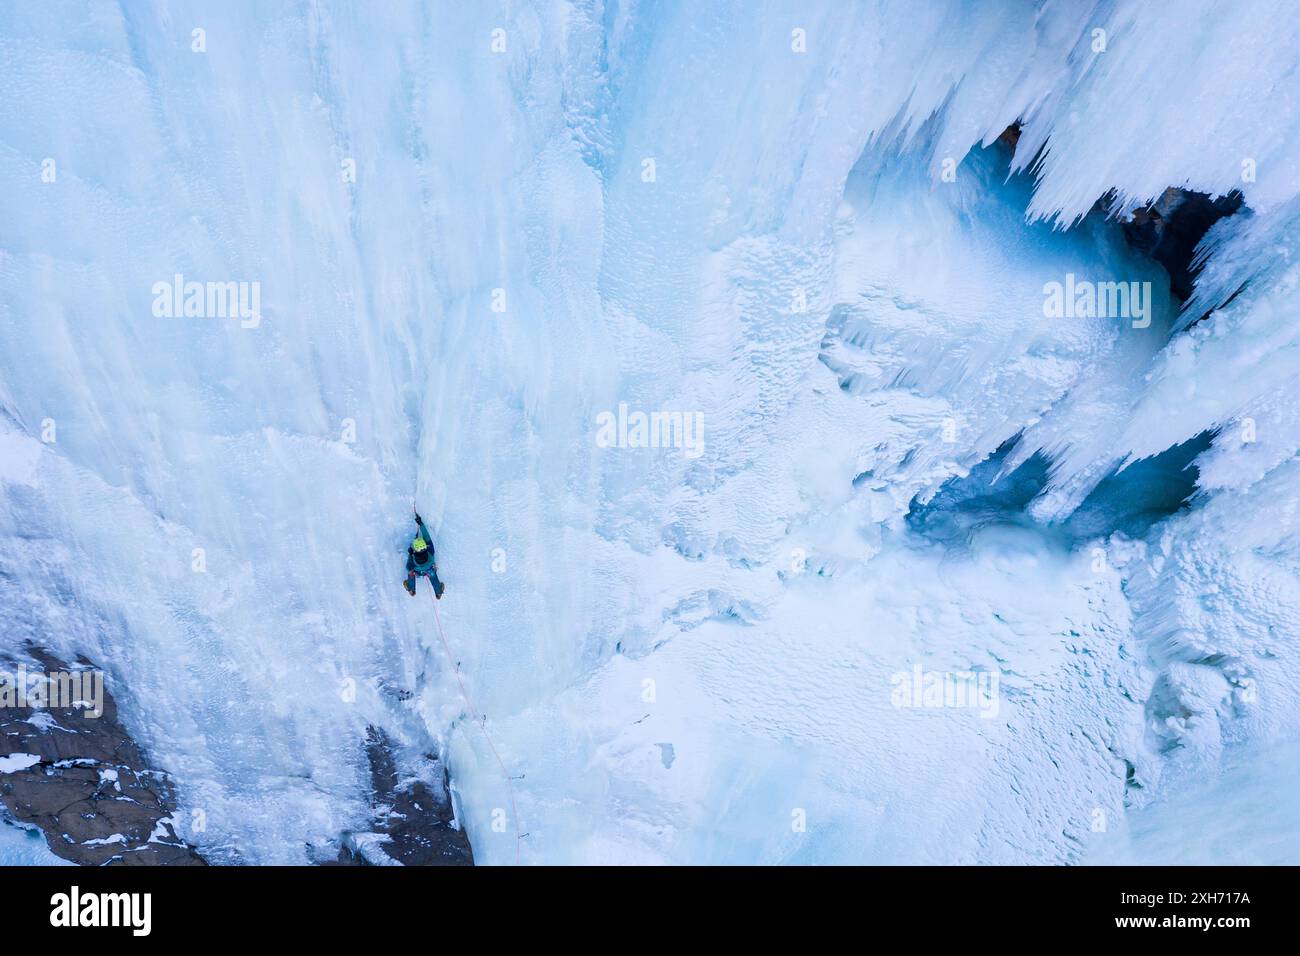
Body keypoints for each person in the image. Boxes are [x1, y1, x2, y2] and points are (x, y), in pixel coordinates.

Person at [404, 513, 446, 598]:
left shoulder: (413, 558)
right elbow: (426, 535)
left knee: (411, 573)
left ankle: (411, 588)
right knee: (432, 574)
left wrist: (410, 554)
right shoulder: (430, 549)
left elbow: (408, 567)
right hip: (429, 569)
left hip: (418, 571)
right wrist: (421, 524)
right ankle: (438, 591)